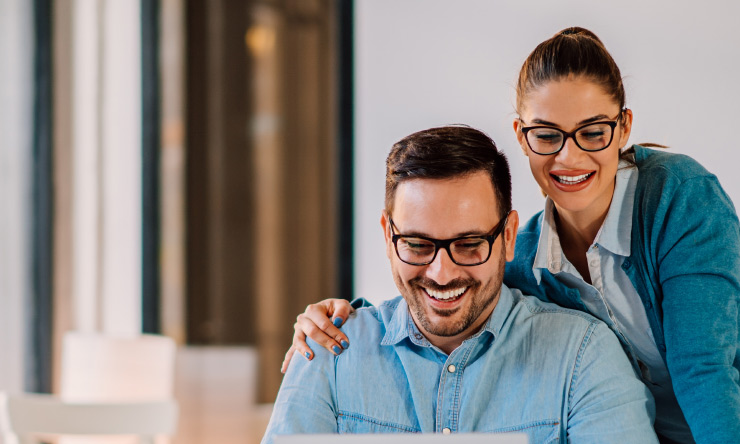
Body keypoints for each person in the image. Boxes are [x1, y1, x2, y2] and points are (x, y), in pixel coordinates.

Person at [282, 28, 740, 444]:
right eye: (547, 133)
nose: (568, 155)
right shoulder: (525, 258)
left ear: (624, 127)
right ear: (522, 135)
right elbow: (453, 284)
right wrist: (349, 320)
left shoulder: (677, 196)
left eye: (592, 131)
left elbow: (704, 371)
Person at [262, 126, 657, 444]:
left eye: (469, 245)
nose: (441, 273)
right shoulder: (329, 354)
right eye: (417, 245)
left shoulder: (583, 357)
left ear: (507, 237)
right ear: (387, 236)